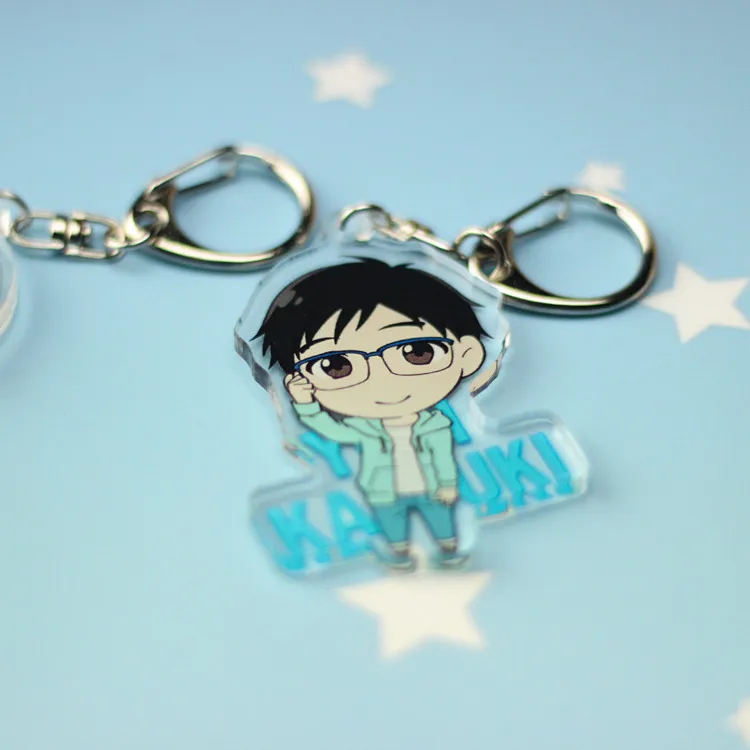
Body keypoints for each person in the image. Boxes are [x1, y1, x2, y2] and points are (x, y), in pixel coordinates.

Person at [255, 258, 489, 569]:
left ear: (467, 355)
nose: (381, 379)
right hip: (382, 493)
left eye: (417, 352)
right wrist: (305, 403)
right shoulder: (364, 428)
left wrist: (447, 484)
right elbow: (327, 427)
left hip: (432, 488)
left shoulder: (435, 424)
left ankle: (449, 547)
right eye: (336, 365)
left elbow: (443, 456)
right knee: (392, 527)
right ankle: (398, 553)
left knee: (442, 521)